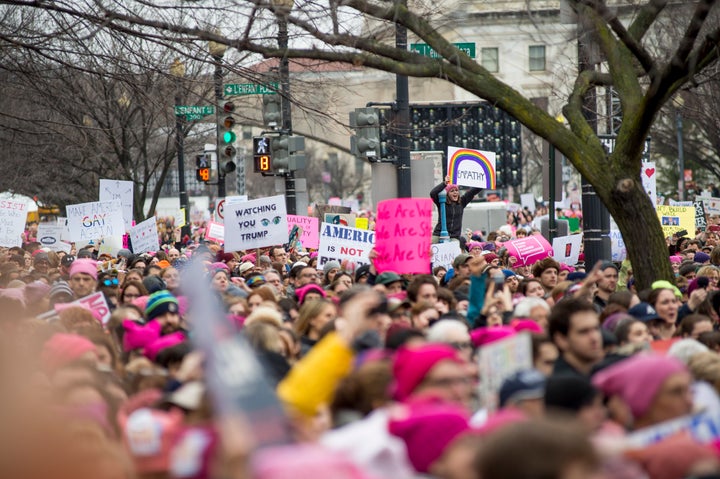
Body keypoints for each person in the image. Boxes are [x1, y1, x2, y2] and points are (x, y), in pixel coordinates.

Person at [548, 298, 603, 377]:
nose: (594, 338)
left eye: (596, 329)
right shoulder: (564, 382)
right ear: (561, 340)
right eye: (583, 332)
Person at [430, 175, 482, 245]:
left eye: (456, 190)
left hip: (454, 236)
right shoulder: (442, 203)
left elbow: (472, 192)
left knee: (455, 248)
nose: (455, 192)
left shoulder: (462, 202)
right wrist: (444, 183)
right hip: (439, 234)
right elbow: (432, 193)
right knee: (429, 245)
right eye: (452, 191)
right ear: (447, 194)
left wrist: (483, 182)